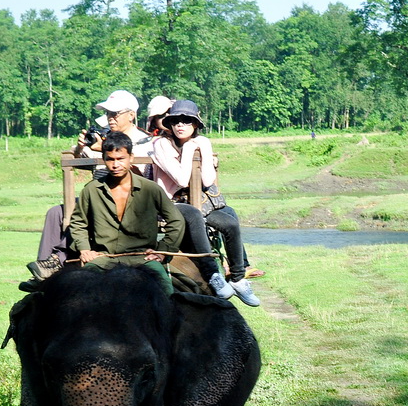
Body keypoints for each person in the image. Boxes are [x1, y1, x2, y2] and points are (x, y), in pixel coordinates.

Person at [31, 90, 155, 280]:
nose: (110, 118)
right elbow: (75, 158)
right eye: (107, 114)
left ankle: (59, 258)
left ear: (132, 115)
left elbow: (143, 177)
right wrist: (82, 147)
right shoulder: (103, 138)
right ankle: (44, 270)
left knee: (88, 214)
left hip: (129, 201)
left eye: (115, 114)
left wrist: (104, 150)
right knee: (56, 212)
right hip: (98, 197)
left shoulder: (146, 143)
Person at [149, 99, 261, 307]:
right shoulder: (162, 144)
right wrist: (191, 151)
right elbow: (181, 180)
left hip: (198, 201)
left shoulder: (201, 142)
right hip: (169, 203)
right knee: (193, 216)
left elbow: (208, 181)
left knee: (230, 223)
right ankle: (212, 275)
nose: (180, 125)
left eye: (187, 121)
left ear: (196, 125)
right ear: (170, 125)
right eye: (176, 121)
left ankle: (238, 278)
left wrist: (204, 148)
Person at [68, 132, 183, 294]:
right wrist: (85, 249)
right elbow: (79, 222)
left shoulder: (150, 189)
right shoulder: (91, 190)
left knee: (165, 291)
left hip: (142, 258)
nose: (115, 165)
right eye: (110, 159)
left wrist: (163, 251)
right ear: (104, 160)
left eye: (120, 158)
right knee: (80, 292)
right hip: (103, 259)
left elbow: (176, 221)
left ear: (131, 158)